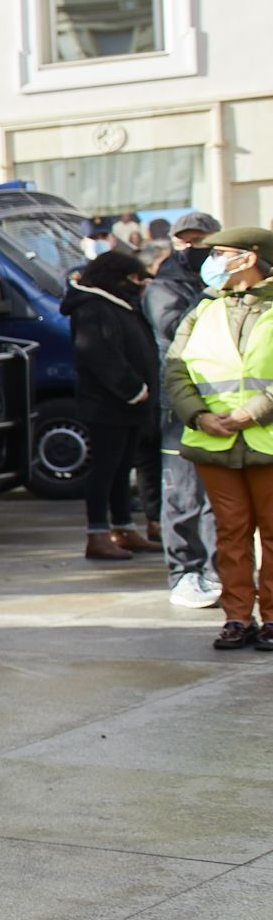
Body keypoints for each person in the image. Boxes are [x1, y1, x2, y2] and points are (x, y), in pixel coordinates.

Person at [166, 226, 273, 650]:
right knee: (229, 534)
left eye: (221, 253)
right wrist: (199, 415)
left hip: (265, 440)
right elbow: (175, 370)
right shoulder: (203, 309)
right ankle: (237, 618)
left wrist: (253, 412)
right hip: (216, 442)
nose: (210, 263)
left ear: (249, 258)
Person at [63, 249, 163, 564]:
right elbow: (99, 354)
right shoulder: (93, 308)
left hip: (129, 407)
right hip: (107, 405)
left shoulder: (118, 305)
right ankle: (98, 532)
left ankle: (123, 526)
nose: (137, 285)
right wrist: (132, 388)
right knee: (104, 470)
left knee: (122, 470)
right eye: (133, 279)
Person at [148, 212, 225, 610]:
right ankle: (184, 571)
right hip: (179, 406)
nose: (193, 248)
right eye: (186, 241)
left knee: (217, 496)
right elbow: (173, 328)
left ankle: (217, 570)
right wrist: (211, 292)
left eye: (202, 240)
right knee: (182, 493)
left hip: (222, 403)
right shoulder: (165, 286)